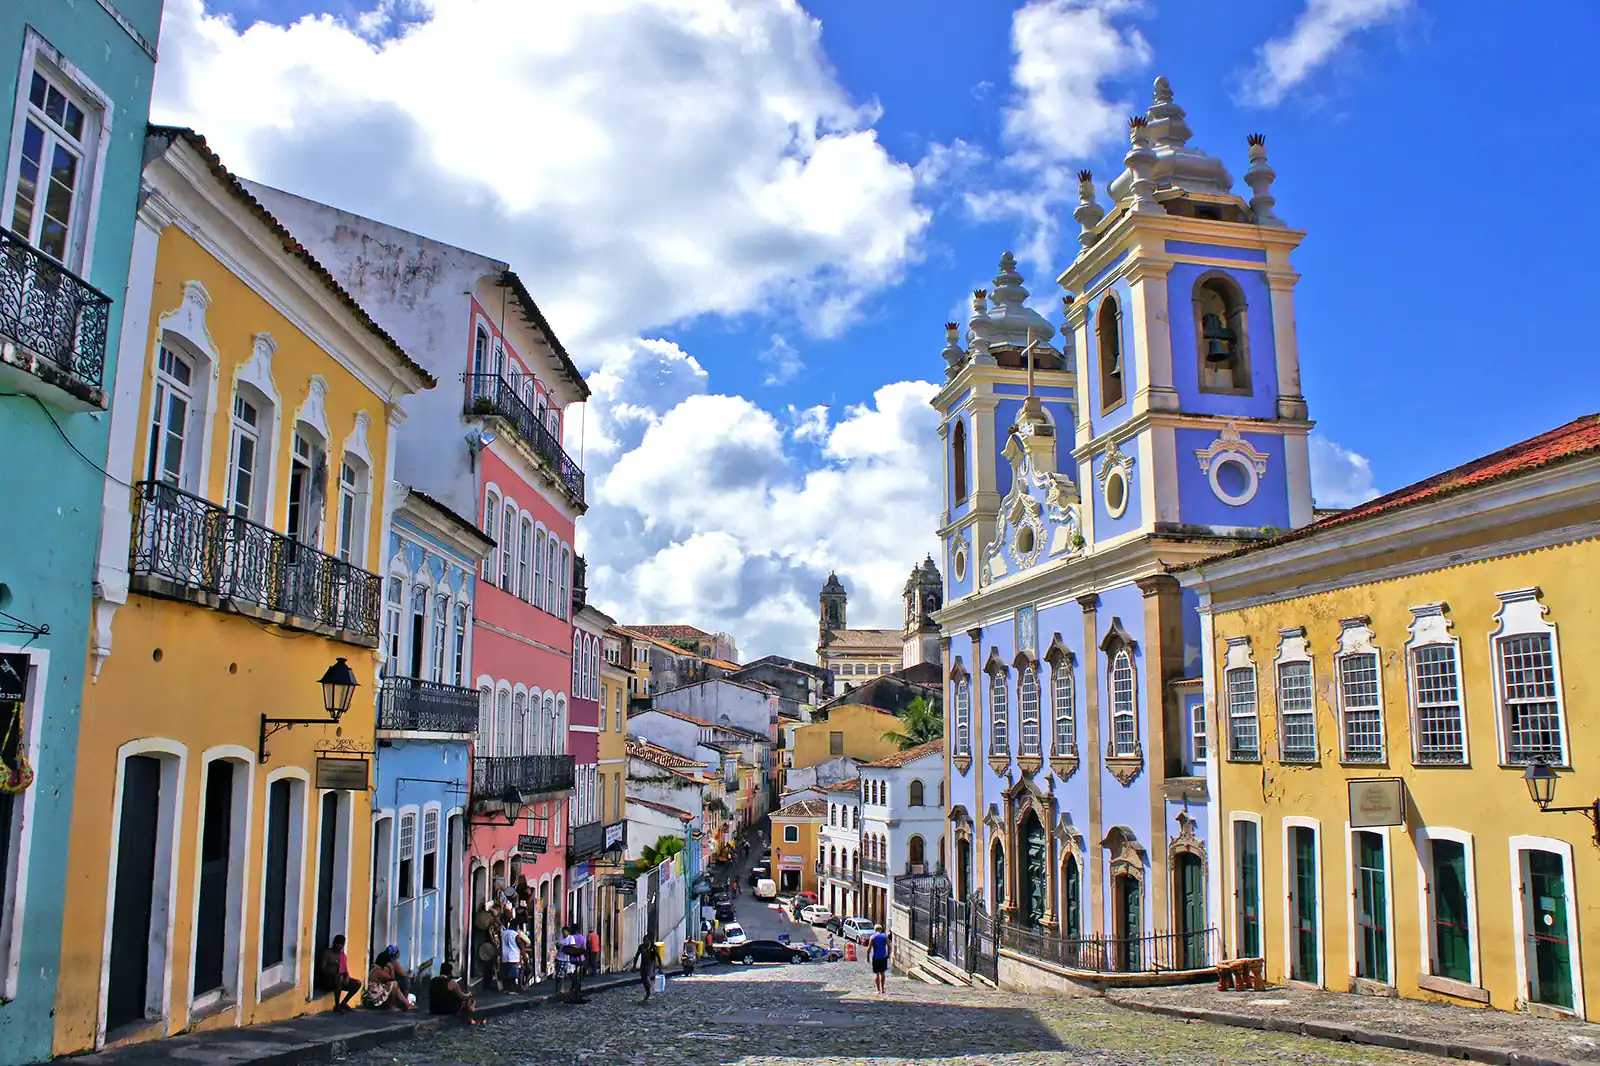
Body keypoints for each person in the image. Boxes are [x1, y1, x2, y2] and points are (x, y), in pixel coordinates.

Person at [317, 935, 361, 1012]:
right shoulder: (327, 953)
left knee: (357, 983)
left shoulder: (342, 955)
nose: (339, 947)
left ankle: (344, 1003)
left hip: (340, 979)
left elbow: (345, 969)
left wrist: (347, 977)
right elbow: (323, 968)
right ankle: (337, 1005)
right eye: (337, 945)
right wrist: (333, 968)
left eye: (341, 946)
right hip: (327, 980)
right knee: (339, 978)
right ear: (334, 944)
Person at [558, 925, 588, 1003]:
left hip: (571, 958)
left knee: (570, 974)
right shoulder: (582, 937)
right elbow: (584, 948)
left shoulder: (571, 937)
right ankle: (575, 989)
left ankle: (573, 989)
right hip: (578, 958)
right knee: (575, 975)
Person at [500, 920, 525, 993]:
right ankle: (513, 990)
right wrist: (524, 957)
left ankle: (506, 989)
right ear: (517, 927)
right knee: (513, 976)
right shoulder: (515, 934)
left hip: (504, 957)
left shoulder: (503, 933)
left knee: (506, 975)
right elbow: (520, 946)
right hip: (514, 957)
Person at [634, 938, 658, 1002]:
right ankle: (648, 992)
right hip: (643, 965)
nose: (646, 942)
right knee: (644, 980)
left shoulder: (652, 947)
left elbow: (658, 957)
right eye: (645, 940)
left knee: (647, 979)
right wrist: (634, 966)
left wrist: (660, 968)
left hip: (650, 965)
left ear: (649, 941)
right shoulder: (641, 947)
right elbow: (636, 956)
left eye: (647, 940)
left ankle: (649, 986)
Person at [869, 923, 891, 994]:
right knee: (882, 973)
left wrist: (867, 956)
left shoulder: (873, 937)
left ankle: (878, 990)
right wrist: (888, 954)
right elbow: (889, 946)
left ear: (875, 930)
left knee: (877, 974)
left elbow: (869, 948)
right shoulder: (885, 936)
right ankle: (883, 989)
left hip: (876, 957)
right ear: (881, 929)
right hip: (883, 957)